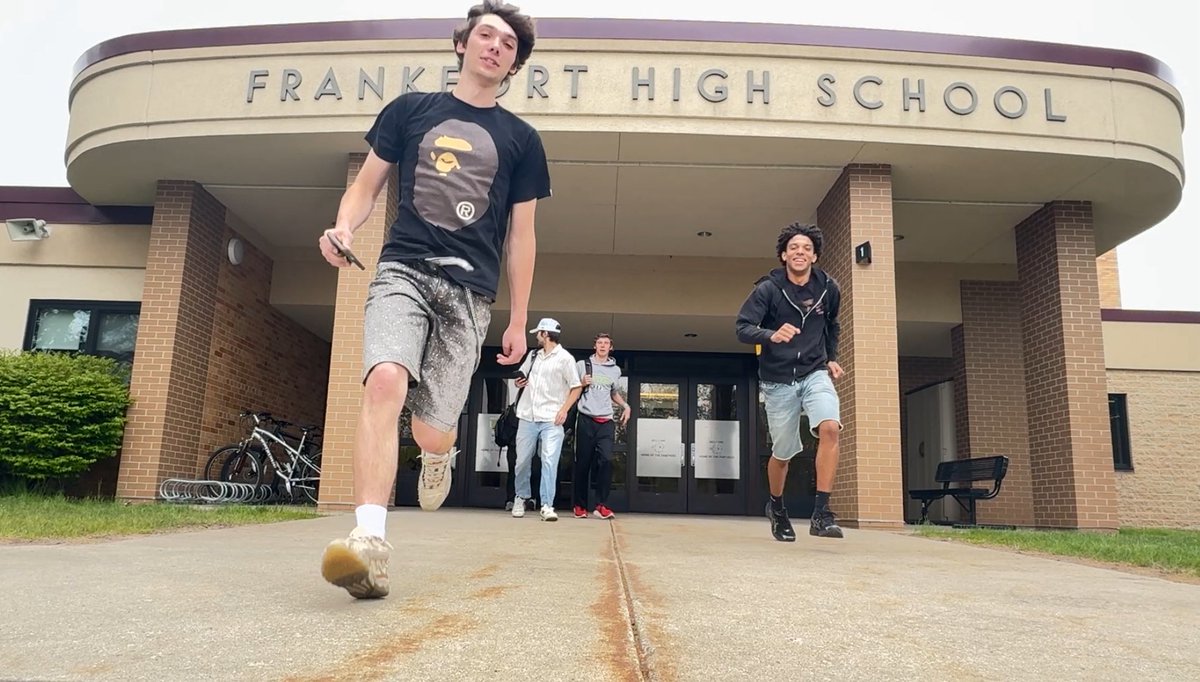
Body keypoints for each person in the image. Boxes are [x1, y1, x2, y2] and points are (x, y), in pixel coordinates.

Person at [318, 1, 551, 599]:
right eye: (486, 36)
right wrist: (344, 228)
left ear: (514, 65)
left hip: (470, 293)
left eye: (507, 45)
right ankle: (368, 540)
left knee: (432, 432)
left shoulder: (522, 140)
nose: (494, 47)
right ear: (462, 44)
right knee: (385, 380)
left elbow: (521, 235)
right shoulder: (410, 111)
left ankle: (436, 454)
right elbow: (366, 185)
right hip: (404, 269)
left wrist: (519, 319)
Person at [735, 222, 845, 542]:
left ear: (815, 257)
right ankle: (778, 508)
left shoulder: (829, 288)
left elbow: (831, 326)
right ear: (784, 255)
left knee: (829, 427)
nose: (800, 252)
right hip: (778, 380)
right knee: (783, 453)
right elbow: (742, 327)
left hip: (815, 371)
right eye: (794, 248)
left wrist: (832, 358)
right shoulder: (768, 290)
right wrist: (771, 334)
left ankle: (821, 513)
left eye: (807, 248)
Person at [512, 318, 582, 521]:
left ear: (546, 334)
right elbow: (522, 377)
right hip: (527, 416)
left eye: (538, 333)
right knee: (522, 461)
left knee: (549, 462)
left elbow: (576, 387)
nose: (536, 336)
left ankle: (547, 505)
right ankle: (521, 497)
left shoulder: (565, 358)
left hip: (552, 419)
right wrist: (519, 382)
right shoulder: (533, 355)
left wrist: (564, 410)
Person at [571, 333, 630, 519]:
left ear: (610, 347)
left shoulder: (615, 370)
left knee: (606, 460)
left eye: (606, 343)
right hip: (586, 418)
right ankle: (579, 506)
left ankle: (601, 505)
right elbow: (572, 388)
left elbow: (613, 393)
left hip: (606, 421)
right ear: (594, 346)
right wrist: (581, 383)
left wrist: (625, 405)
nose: (603, 346)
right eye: (599, 343)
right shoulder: (583, 365)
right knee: (583, 463)